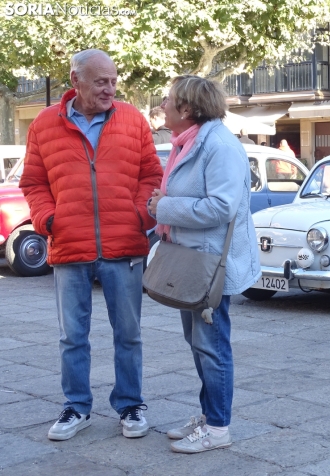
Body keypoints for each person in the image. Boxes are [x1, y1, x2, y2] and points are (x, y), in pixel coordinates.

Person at [20, 49, 163, 441]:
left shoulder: (132, 119)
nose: (110, 89)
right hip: (69, 244)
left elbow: (152, 174)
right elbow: (33, 183)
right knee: (71, 336)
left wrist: (141, 215)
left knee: (128, 333)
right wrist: (49, 219)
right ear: (75, 81)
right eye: (101, 81)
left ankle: (130, 403)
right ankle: (76, 406)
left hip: (125, 244)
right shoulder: (45, 124)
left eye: (114, 81)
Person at [147, 75, 260, 454]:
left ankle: (217, 428)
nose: (162, 104)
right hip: (191, 261)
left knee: (211, 345)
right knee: (198, 343)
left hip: (210, 264)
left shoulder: (219, 146)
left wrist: (164, 207)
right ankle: (209, 414)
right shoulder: (188, 142)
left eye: (168, 99)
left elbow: (222, 207)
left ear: (188, 109)